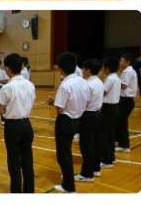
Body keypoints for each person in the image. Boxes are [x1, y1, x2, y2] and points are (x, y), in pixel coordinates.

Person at [48, 52, 90, 193]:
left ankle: (68, 185)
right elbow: (86, 101)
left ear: (61, 68)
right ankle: (68, 178)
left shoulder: (65, 85)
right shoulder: (83, 82)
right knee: (67, 152)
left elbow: (60, 108)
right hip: (78, 119)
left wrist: (53, 102)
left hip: (65, 121)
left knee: (63, 153)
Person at [0, 53, 36, 193]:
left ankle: (16, 191)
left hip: (13, 126)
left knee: (13, 160)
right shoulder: (30, 85)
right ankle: (29, 190)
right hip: (27, 124)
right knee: (27, 159)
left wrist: (5, 112)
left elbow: (1, 110)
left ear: (7, 68)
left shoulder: (7, 87)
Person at [75, 59, 104, 183]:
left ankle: (86, 174)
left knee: (86, 146)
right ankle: (96, 169)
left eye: (84, 69)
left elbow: (84, 102)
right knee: (95, 143)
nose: (82, 71)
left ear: (88, 70)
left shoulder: (87, 84)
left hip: (88, 116)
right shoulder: (99, 82)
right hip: (97, 114)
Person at [97, 56, 121, 170]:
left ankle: (107, 160)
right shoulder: (116, 77)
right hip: (114, 107)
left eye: (104, 67)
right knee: (110, 134)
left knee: (104, 135)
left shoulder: (110, 79)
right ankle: (110, 157)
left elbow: (103, 92)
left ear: (107, 68)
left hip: (108, 108)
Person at [116, 53, 138, 153]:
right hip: (124, 100)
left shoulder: (128, 72)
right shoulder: (126, 71)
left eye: (122, 60)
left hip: (127, 100)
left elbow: (124, 86)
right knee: (120, 121)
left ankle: (125, 146)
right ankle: (120, 142)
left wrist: (113, 82)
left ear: (127, 62)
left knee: (122, 122)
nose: (120, 62)